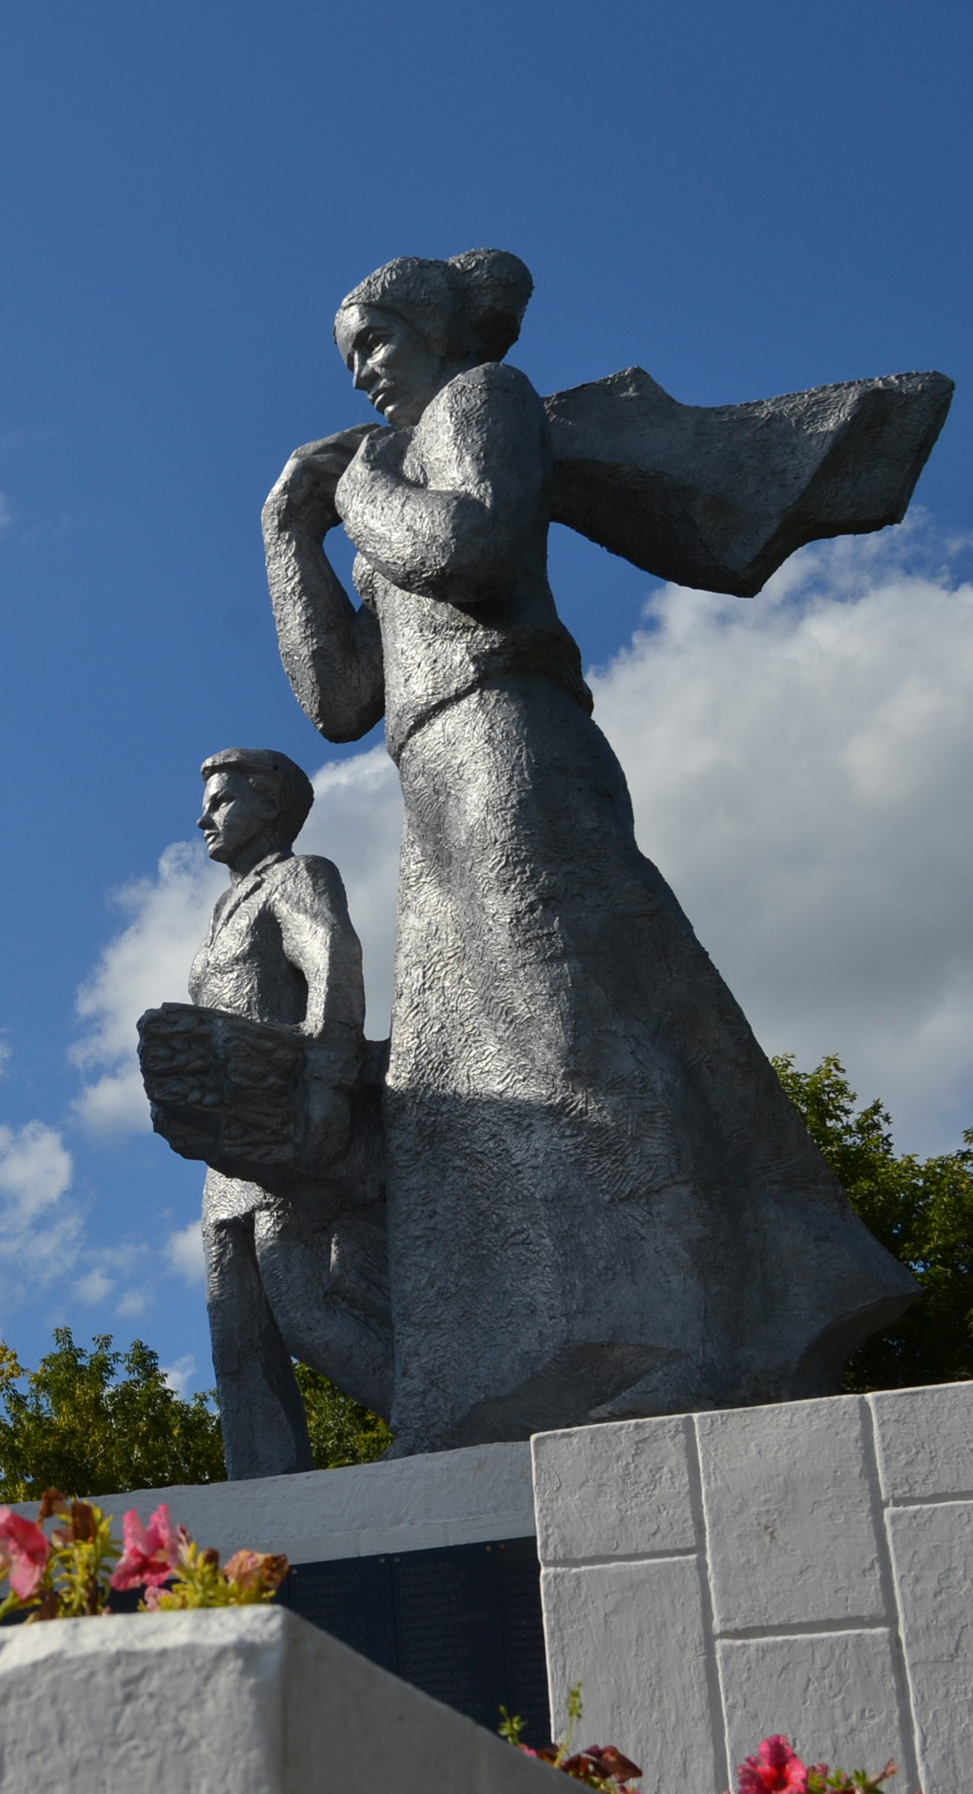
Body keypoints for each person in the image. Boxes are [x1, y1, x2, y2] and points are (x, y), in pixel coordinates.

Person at [260, 250, 917, 1451]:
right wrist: (286, 538)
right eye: (347, 353)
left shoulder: (482, 404)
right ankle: (576, 1337)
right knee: (488, 1054)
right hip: (434, 765)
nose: (361, 369)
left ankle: (693, 1327)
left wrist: (355, 492)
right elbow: (339, 698)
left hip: (508, 729)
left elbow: (470, 552)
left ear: (441, 333)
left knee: (571, 1017)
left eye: (377, 340)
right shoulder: (393, 465)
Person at [187, 748, 392, 1479]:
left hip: (283, 1138)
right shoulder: (225, 908)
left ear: (270, 805)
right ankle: (265, 1513)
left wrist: (329, 1083)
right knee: (239, 1345)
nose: (203, 816)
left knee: (306, 1310)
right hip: (225, 1154)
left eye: (221, 800)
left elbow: (334, 957)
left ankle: (433, 1413)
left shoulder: (299, 877)